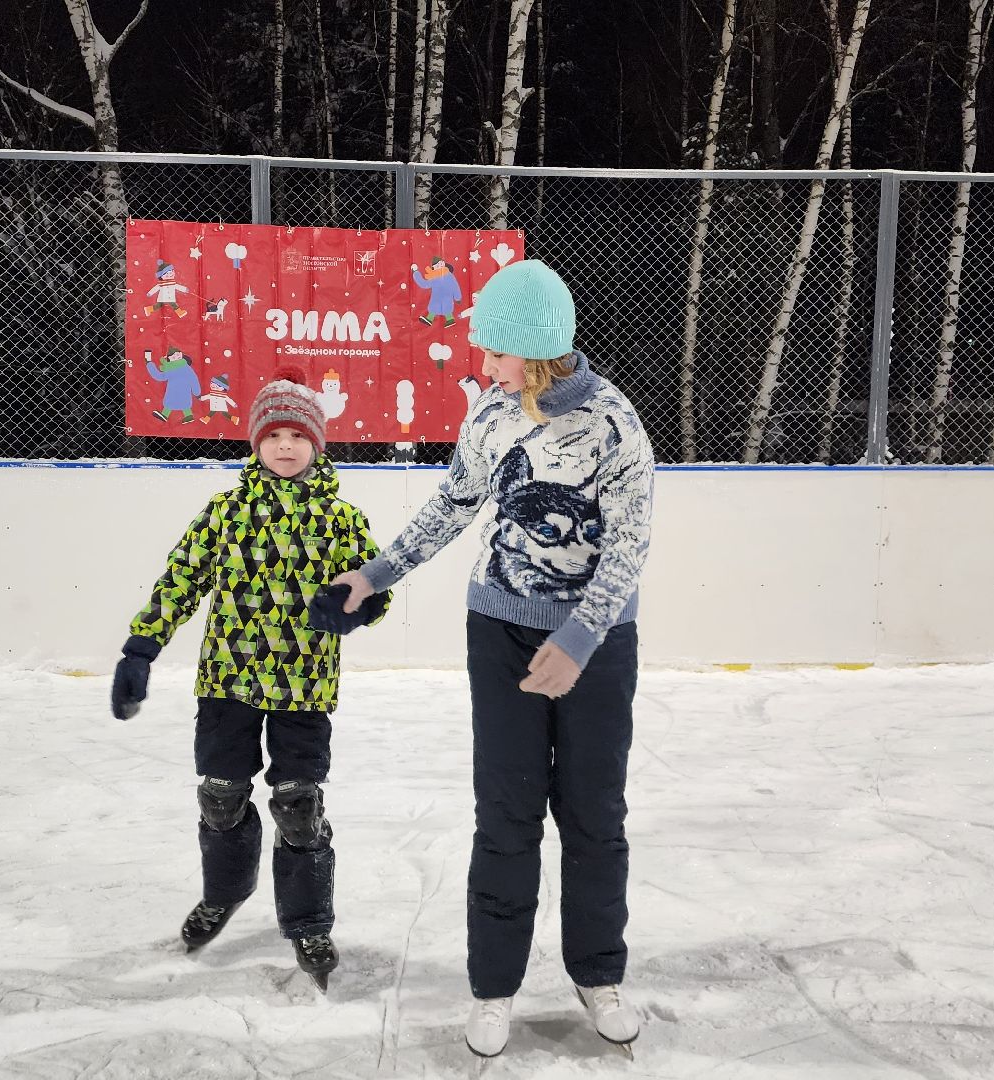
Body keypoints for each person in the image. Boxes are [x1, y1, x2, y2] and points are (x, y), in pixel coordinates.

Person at [327, 260, 655, 1056]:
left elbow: (629, 547)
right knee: (505, 815)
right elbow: (454, 503)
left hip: (596, 644)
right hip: (500, 633)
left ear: (535, 351)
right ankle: (494, 987)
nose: (484, 366)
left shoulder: (615, 426)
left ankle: (598, 973)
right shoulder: (489, 415)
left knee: (592, 814)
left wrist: (578, 642)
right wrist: (375, 575)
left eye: (495, 353)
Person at [111, 366, 390, 991]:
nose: (284, 446)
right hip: (227, 683)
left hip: (303, 686)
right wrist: (141, 648)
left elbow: (375, 586)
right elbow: (180, 579)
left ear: (317, 442)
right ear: (255, 442)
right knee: (220, 795)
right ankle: (226, 891)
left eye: (297, 434)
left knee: (299, 805)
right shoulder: (226, 511)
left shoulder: (340, 517)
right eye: (273, 435)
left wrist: (359, 606)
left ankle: (309, 921)